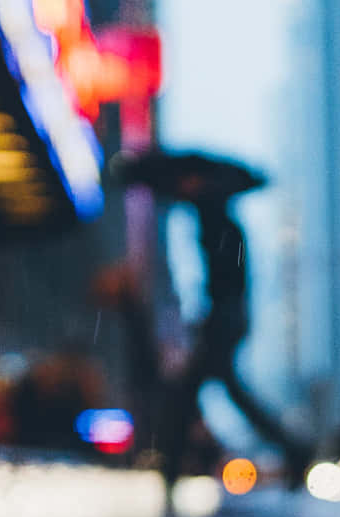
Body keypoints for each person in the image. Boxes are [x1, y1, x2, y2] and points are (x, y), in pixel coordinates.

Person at [114, 151, 312, 486]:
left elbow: (228, 284)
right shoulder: (211, 218)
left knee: (189, 392)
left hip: (225, 320)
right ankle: (291, 448)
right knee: (220, 391)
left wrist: (213, 318)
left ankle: (172, 466)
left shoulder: (220, 224)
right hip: (224, 319)